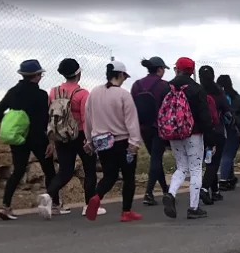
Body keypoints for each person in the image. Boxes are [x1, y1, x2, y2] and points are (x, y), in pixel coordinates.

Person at [0, 60, 57, 221]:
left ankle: (5, 206)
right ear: (35, 76)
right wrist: (51, 141)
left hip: (18, 137)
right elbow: (45, 120)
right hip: (37, 137)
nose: (41, 76)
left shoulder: (13, 91)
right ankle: (53, 204)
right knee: (49, 170)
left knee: (18, 170)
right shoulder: (41, 95)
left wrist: (13, 123)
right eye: (40, 73)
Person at [83, 62, 142, 222]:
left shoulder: (94, 93)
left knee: (109, 175)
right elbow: (131, 121)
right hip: (122, 141)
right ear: (121, 75)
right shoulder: (124, 95)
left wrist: (88, 139)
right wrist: (134, 142)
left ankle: (96, 196)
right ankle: (126, 211)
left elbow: (87, 118)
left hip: (101, 142)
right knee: (129, 176)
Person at [37, 58, 95, 219]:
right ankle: (88, 206)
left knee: (65, 171)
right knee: (89, 170)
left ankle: (48, 195)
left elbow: (51, 117)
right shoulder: (82, 93)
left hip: (61, 136)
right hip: (81, 134)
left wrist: (51, 140)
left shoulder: (53, 92)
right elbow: (86, 118)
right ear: (78, 73)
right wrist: (89, 140)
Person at [163, 57, 212, 219]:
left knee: (181, 167)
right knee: (196, 169)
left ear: (177, 68)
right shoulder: (196, 89)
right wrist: (209, 140)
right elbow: (205, 116)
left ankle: (171, 193)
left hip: (174, 133)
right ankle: (193, 207)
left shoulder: (167, 87)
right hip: (194, 134)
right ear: (192, 71)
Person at [132, 57, 171, 206]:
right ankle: (148, 193)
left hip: (142, 128)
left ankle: (165, 190)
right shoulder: (163, 85)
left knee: (156, 157)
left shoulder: (136, 85)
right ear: (160, 69)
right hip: (159, 127)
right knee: (156, 158)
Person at [198, 65, 232, 205]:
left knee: (208, 160)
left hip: (201, 133)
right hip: (217, 132)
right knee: (213, 162)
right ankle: (205, 189)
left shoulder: (197, 91)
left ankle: (215, 191)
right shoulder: (219, 92)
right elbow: (227, 112)